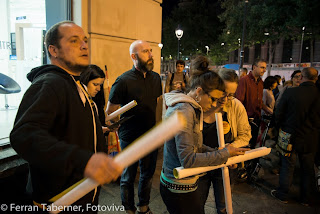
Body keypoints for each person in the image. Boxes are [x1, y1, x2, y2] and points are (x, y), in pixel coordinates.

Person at [10, 21, 122, 213]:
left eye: (85, 41)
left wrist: (95, 131)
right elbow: (24, 135)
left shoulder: (75, 84)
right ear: (53, 50)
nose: (84, 45)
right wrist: (84, 160)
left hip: (83, 197)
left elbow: (68, 127)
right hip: (60, 203)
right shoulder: (50, 83)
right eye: (74, 41)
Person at [160, 55, 249, 214]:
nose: (215, 104)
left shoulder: (189, 108)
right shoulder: (184, 111)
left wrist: (221, 153)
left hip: (183, 185)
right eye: (214, 99)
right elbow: (188, 159)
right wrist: (223, 153)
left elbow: (195, 146)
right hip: (179, 188)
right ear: (199, 91)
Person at [106, 40, 162, 214]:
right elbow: (110, 113)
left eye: (151, 51)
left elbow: (157, 103)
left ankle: (143, 207)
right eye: (146, 52)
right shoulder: (122, 81)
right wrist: (112, 124)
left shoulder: (155, 78)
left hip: (150, 135)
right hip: (129, 136)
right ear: (133, 56)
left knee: (147, 174)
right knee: (128, 176)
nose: (151, 55)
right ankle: (128, 209)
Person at [198, 68, 251, 214]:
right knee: (197, 203)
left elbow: (245, 135)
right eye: (223, 93)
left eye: (231, 95)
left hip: (226, 163)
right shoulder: (201, 105)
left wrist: (231, 148)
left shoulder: (236, 106)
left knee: (223, 204)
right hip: (202, 163)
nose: (225, 99)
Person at [271, 67, 320, 206]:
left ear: (302, 77)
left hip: (289, 135)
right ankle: (305, 198)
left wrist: (280, 127)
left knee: (287, 166)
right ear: (315, 79)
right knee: (308, 168)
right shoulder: (318, 94)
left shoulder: (291, 92)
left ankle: (282, 194)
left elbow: (279, 113)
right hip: (311, 138)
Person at [235, 59, 268, 149]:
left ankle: (251, 162)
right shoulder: (244, 80)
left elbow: (259, 101)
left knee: (252, 144)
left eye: (265, 68)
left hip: (256, 118)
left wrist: (268, 110)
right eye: (262, 67)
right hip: (246, 120)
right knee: (244, 145)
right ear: (254, 67)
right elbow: (239, 101)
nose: (264, 70)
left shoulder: (260, 82)